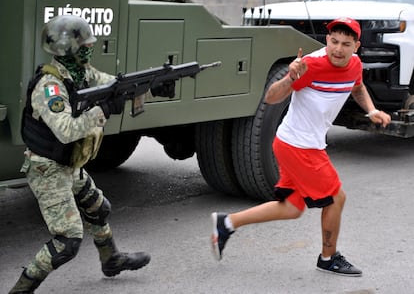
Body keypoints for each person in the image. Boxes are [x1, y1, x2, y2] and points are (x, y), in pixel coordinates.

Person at [210, 17, 391, 277]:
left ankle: (226, 223)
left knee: (292, 208)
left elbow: (358, 87)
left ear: (356, 46)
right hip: (298, 145)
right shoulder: (311, 65)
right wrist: (290, 77)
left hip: (302, 144)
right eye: (334, 41)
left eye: (346, 44)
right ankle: (328, 258)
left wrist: (372, 110)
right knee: (336, 198)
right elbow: (271, 97)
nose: (338, 49)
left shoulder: (354, 65)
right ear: (327, 40)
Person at [8, 15, 172, 293]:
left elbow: (114, 85)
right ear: (68, 48)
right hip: (47, 169)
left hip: (69, 163)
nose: (91, 46)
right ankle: (20, 290)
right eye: (85, 43)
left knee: (98, 208)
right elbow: (66, 130)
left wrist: (151, 86)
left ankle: (111, 259)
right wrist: (103, 110)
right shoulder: (49, 86)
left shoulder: (83, 73)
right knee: (66, 242)